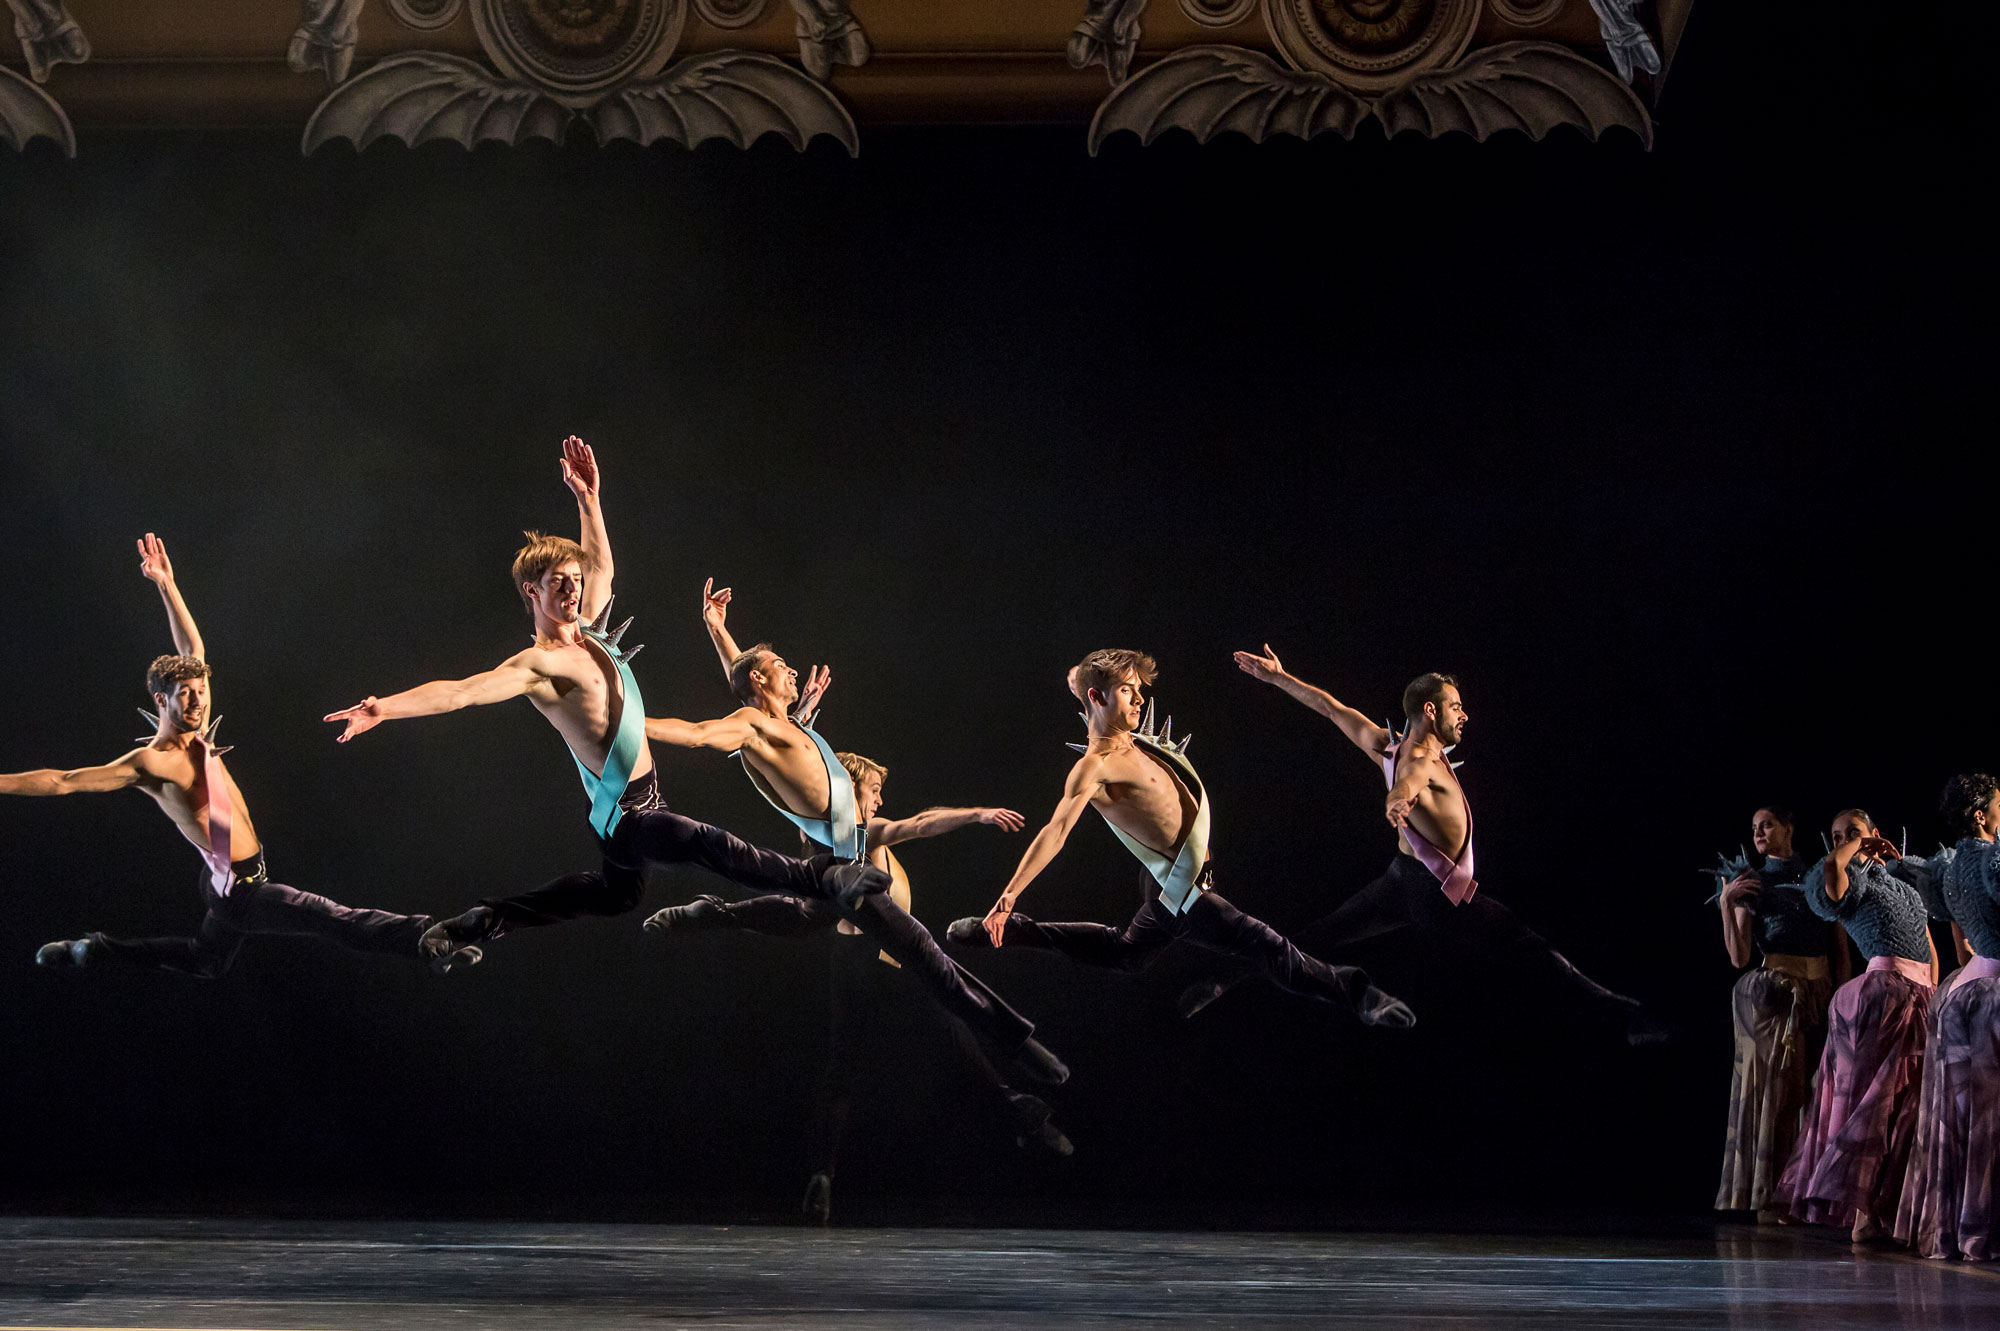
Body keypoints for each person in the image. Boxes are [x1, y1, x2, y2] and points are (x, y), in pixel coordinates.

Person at [322, 441, 1063, 1083]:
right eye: (560, 585)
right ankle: (818, 874)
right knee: (706, 842)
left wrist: (590, 497)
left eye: (576, 583)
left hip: (625, 810)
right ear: (532, 594)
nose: (576, 589)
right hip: (633, 811)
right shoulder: (540, 663)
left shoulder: (591, 631)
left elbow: (604, 563)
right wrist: (384, 705)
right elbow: (464, 691)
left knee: (614, 896)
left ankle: (480, 921)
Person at [637, 581, 1066, 1084]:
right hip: (829, 863)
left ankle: (714, 913)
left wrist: (718, 628)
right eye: (781, 666)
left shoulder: (796, 726)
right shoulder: (755, 726)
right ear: (762, 679)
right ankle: (1020, 1043)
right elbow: (696, 732)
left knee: (803, 917)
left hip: (838, 865)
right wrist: (626, 720)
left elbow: (744, 674)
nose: (793, 669)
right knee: (924, 955)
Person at [7, 534, 464, 977]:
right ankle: (426, 939)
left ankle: (94, 951)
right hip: (243, 892)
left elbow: (194, 650)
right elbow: (62, 780)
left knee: (205, 959)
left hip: (223, 881)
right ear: (161, 701)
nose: (198, 701)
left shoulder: (197, 725)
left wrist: (166, 584)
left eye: (201, 691)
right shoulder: (154, 762)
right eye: (185, 695)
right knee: (327, 916)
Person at [644, 750, 1072, 1224]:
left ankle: (826, 1173)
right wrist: (976, 814)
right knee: (924, 1036)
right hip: (869, 962)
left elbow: (921, 821)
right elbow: (917, 825)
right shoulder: (848, 837)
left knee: (868, 1057)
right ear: (849, 792)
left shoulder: (843, 833)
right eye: (873, 791)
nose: (880, 799)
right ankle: (1010, 1105)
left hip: (869, 961)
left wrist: (973, 814)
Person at [1178, 647, 1661, 1044]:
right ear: (1429, 710)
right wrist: (1397, 802)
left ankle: (1222, 980)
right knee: (1533, 952)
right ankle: (1628, 1017)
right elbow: (1407, 782)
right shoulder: (1418, 759)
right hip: (1440, 897)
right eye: (1455, 706)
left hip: (1402, 881)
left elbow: (1329, 707)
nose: (1464, 714)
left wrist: (1280, 679)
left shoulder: (1383, 743)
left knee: (1314, 939)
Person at [944, 649, 1414, 1029]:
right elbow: (1056, 830)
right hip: (1178, 892)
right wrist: (1007, 895)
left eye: (1139, 690)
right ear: (1098, 697)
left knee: (1125, 952)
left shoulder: (1135, 742)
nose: (1139, 699)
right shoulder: (1095, 767)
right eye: (1127, 690)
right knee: (1265, 943)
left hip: (1178, 880)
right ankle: (1359, 995)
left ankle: (1020, 932)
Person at [1773, 817, 1938, 1241]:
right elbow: (1831, 872)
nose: (1846, 839)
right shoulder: (1852, 879)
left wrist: (1936, 991)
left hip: (1919, 995)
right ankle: (1862, 1214)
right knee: (1873, 1106)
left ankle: (1891, 1209)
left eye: (1854, 829)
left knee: (1910, 1108)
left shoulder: (1899, 884)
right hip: (1881, 997)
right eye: (1837, 835)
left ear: (1875, 828)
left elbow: (1925, 940)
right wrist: (1855, 845)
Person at [1714, 806, 1846, 1219]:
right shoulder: (1754, 881)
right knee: (1778, 1095)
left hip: (1819, 993)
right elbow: (1739, 957)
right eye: (1753, 827)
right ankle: (1770, 1195)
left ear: (1790, 828)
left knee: (1817, 1093)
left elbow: (1838, 945)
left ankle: (1810, 1196)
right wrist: (1726, 903)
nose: (1758, 832)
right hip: (1775, 995)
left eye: (1766, 824)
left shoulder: (1817, 875)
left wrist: (1840, 998)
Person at [1894, 774, 2000, 1260]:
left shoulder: (1950, 869)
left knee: (1967, 1117)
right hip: (1995, 994)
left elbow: (1960, 941)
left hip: (1967, 989)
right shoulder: (1993, 859)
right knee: (1990, 1118)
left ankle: (1965, 1228)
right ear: (1981, 815)